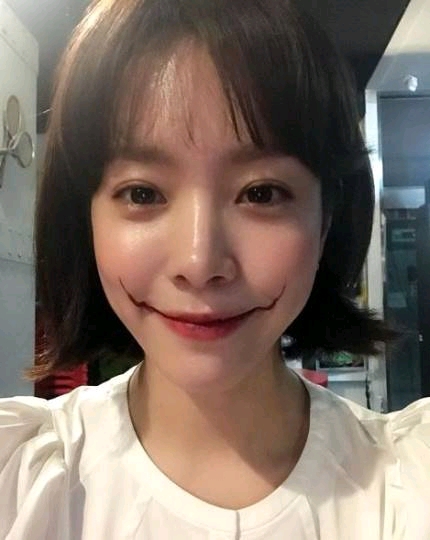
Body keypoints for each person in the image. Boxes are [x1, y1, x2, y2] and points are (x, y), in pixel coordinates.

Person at [1, 0, 429, 538]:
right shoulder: (22, 483)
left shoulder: (408, 487)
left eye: (261, 193)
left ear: (327, 219)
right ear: (84, 219)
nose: (199, 264)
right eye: (143, 193)